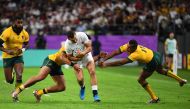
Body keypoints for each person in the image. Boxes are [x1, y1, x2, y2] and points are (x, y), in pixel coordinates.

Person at [99, 39, 187, 103]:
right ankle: (180, 80)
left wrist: (106, 65)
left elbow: (121, 62)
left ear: (133, 48)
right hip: (155, 54)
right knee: (160, 71)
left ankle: (154, 98)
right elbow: (116, 52)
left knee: (141, 80)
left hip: (152, 61)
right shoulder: (129, 45)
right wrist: (104, 60)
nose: (127, 49)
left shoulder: (136, 54)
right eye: (127, 46)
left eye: (129, 48)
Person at [64, 31, 101, 102]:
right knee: (80, 79)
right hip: (76, 60)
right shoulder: (67, 44)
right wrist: (77, 58)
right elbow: (69, 57)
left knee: (92, 72)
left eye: (74, 38)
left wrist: (83, 53)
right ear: (69, 39)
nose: (74, 41)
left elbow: (89, 48)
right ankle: (82, 87)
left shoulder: (82, 35)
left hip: (86, 55)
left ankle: (95, 94)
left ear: (75, 34)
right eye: (72, 40)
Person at [0, 16, 29, 88]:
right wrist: (7, 51)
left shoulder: (25, 33)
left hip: (18, 56)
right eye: (18, 22)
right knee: (9, 80)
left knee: (19, 75)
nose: (20, 24)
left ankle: (16, 94)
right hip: (7, 57)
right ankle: (12, 73)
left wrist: (22, 50)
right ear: (14, 23)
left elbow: (27, 45)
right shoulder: (7, 32)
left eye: (21, 22)